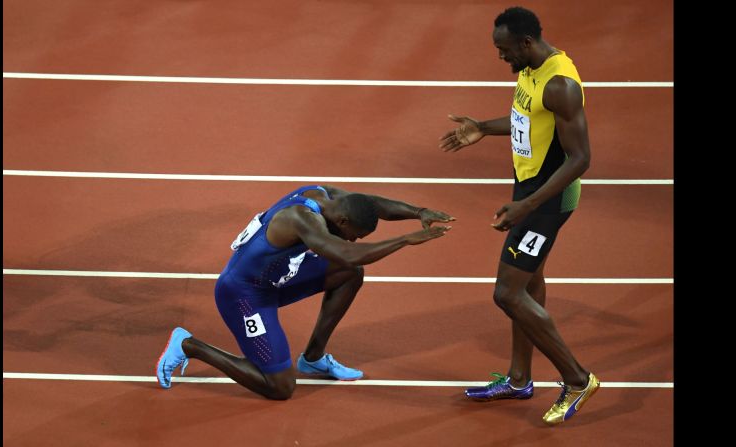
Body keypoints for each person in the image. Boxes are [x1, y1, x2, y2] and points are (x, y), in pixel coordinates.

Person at [439, 6, 599, 425]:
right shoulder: (530, 70)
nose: (501, 58)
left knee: (508, 293)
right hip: (528, 190)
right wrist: (482, 128)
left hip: (547, 202)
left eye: (504, 50)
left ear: (526, 43)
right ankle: (519, 378)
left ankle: (578, 379)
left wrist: (527, 207)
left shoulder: (560, 84)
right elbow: (524, 119)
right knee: (530, 283)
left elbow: (581, 159)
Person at [155, 184, 454, 399]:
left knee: (350, 274)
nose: (352, 240)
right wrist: (406, 240)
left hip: (277, 279)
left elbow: (372, 204)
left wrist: (419, 211)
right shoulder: (301, 218)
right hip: (244, 296)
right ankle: (190, 346)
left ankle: (313, 357)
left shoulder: (330, 196)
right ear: (342, 222)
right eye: (355, 235)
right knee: (280, 387)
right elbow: (347, 254)